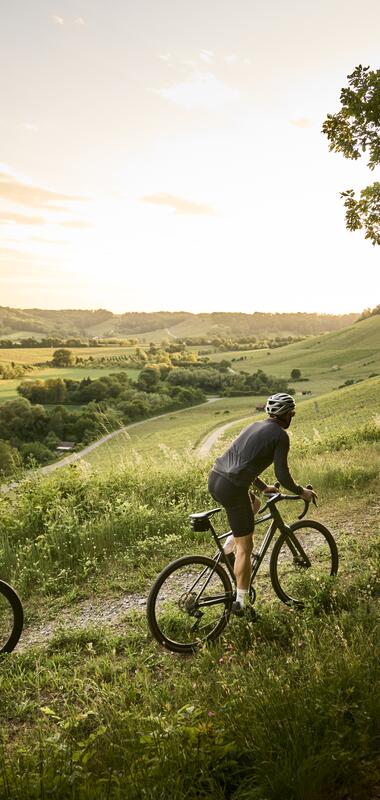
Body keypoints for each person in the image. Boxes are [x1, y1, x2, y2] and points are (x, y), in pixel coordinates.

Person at [208, 392, 317, 616]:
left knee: (255, 503)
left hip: (216, 479)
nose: (292, 416)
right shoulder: (280, 436)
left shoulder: (254, 426)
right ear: (285, 414)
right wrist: (301, 492)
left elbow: (241, 461)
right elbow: (282, 475)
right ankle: (241, 603)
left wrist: (263, 487)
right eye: (292, 413)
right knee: (245, 547)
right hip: (233, 487)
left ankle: (228, 548)